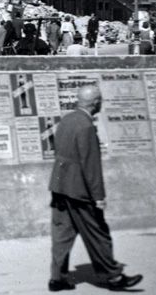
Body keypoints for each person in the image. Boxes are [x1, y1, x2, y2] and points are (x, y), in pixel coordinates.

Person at [47, 84, 142, 292]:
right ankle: (114, 277)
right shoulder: (86, 126)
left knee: (62, 233)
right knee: (98, 232)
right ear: (96, 103)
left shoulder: (67, 120)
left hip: (59, 184)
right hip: (78, 189)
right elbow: (90, 165)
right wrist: (98, 196)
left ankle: (57, 278)